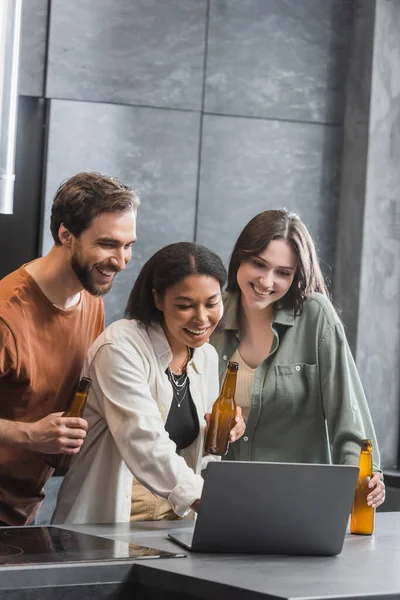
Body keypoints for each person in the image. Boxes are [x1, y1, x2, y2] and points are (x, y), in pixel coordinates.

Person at [52, 242, 245, 525]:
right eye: (184, 305)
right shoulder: (120, 347)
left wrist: (221, 427)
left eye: (212, 303)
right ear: (158, 300)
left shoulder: (205, 355)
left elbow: (198, 452)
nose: (202, 318)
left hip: (176, 515)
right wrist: (213, 503)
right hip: (115, 512)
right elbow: (144, 440)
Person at [210, 209, 385, 509]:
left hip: (299, 505)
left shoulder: (316, 315)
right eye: (259, 264)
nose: (267, 281)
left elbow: (349, 415)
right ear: (241, 257)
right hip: (221, 500)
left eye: (283, 272)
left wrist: (367, 478)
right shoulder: (210, 312)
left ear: (296, 275)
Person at [0, 171, 139, 525]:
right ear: (66, 234)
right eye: (108, 244)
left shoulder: (90, 298)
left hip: (23, 508)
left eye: (128, 245)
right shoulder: (6, 316)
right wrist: (28, 434)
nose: (121, 261)